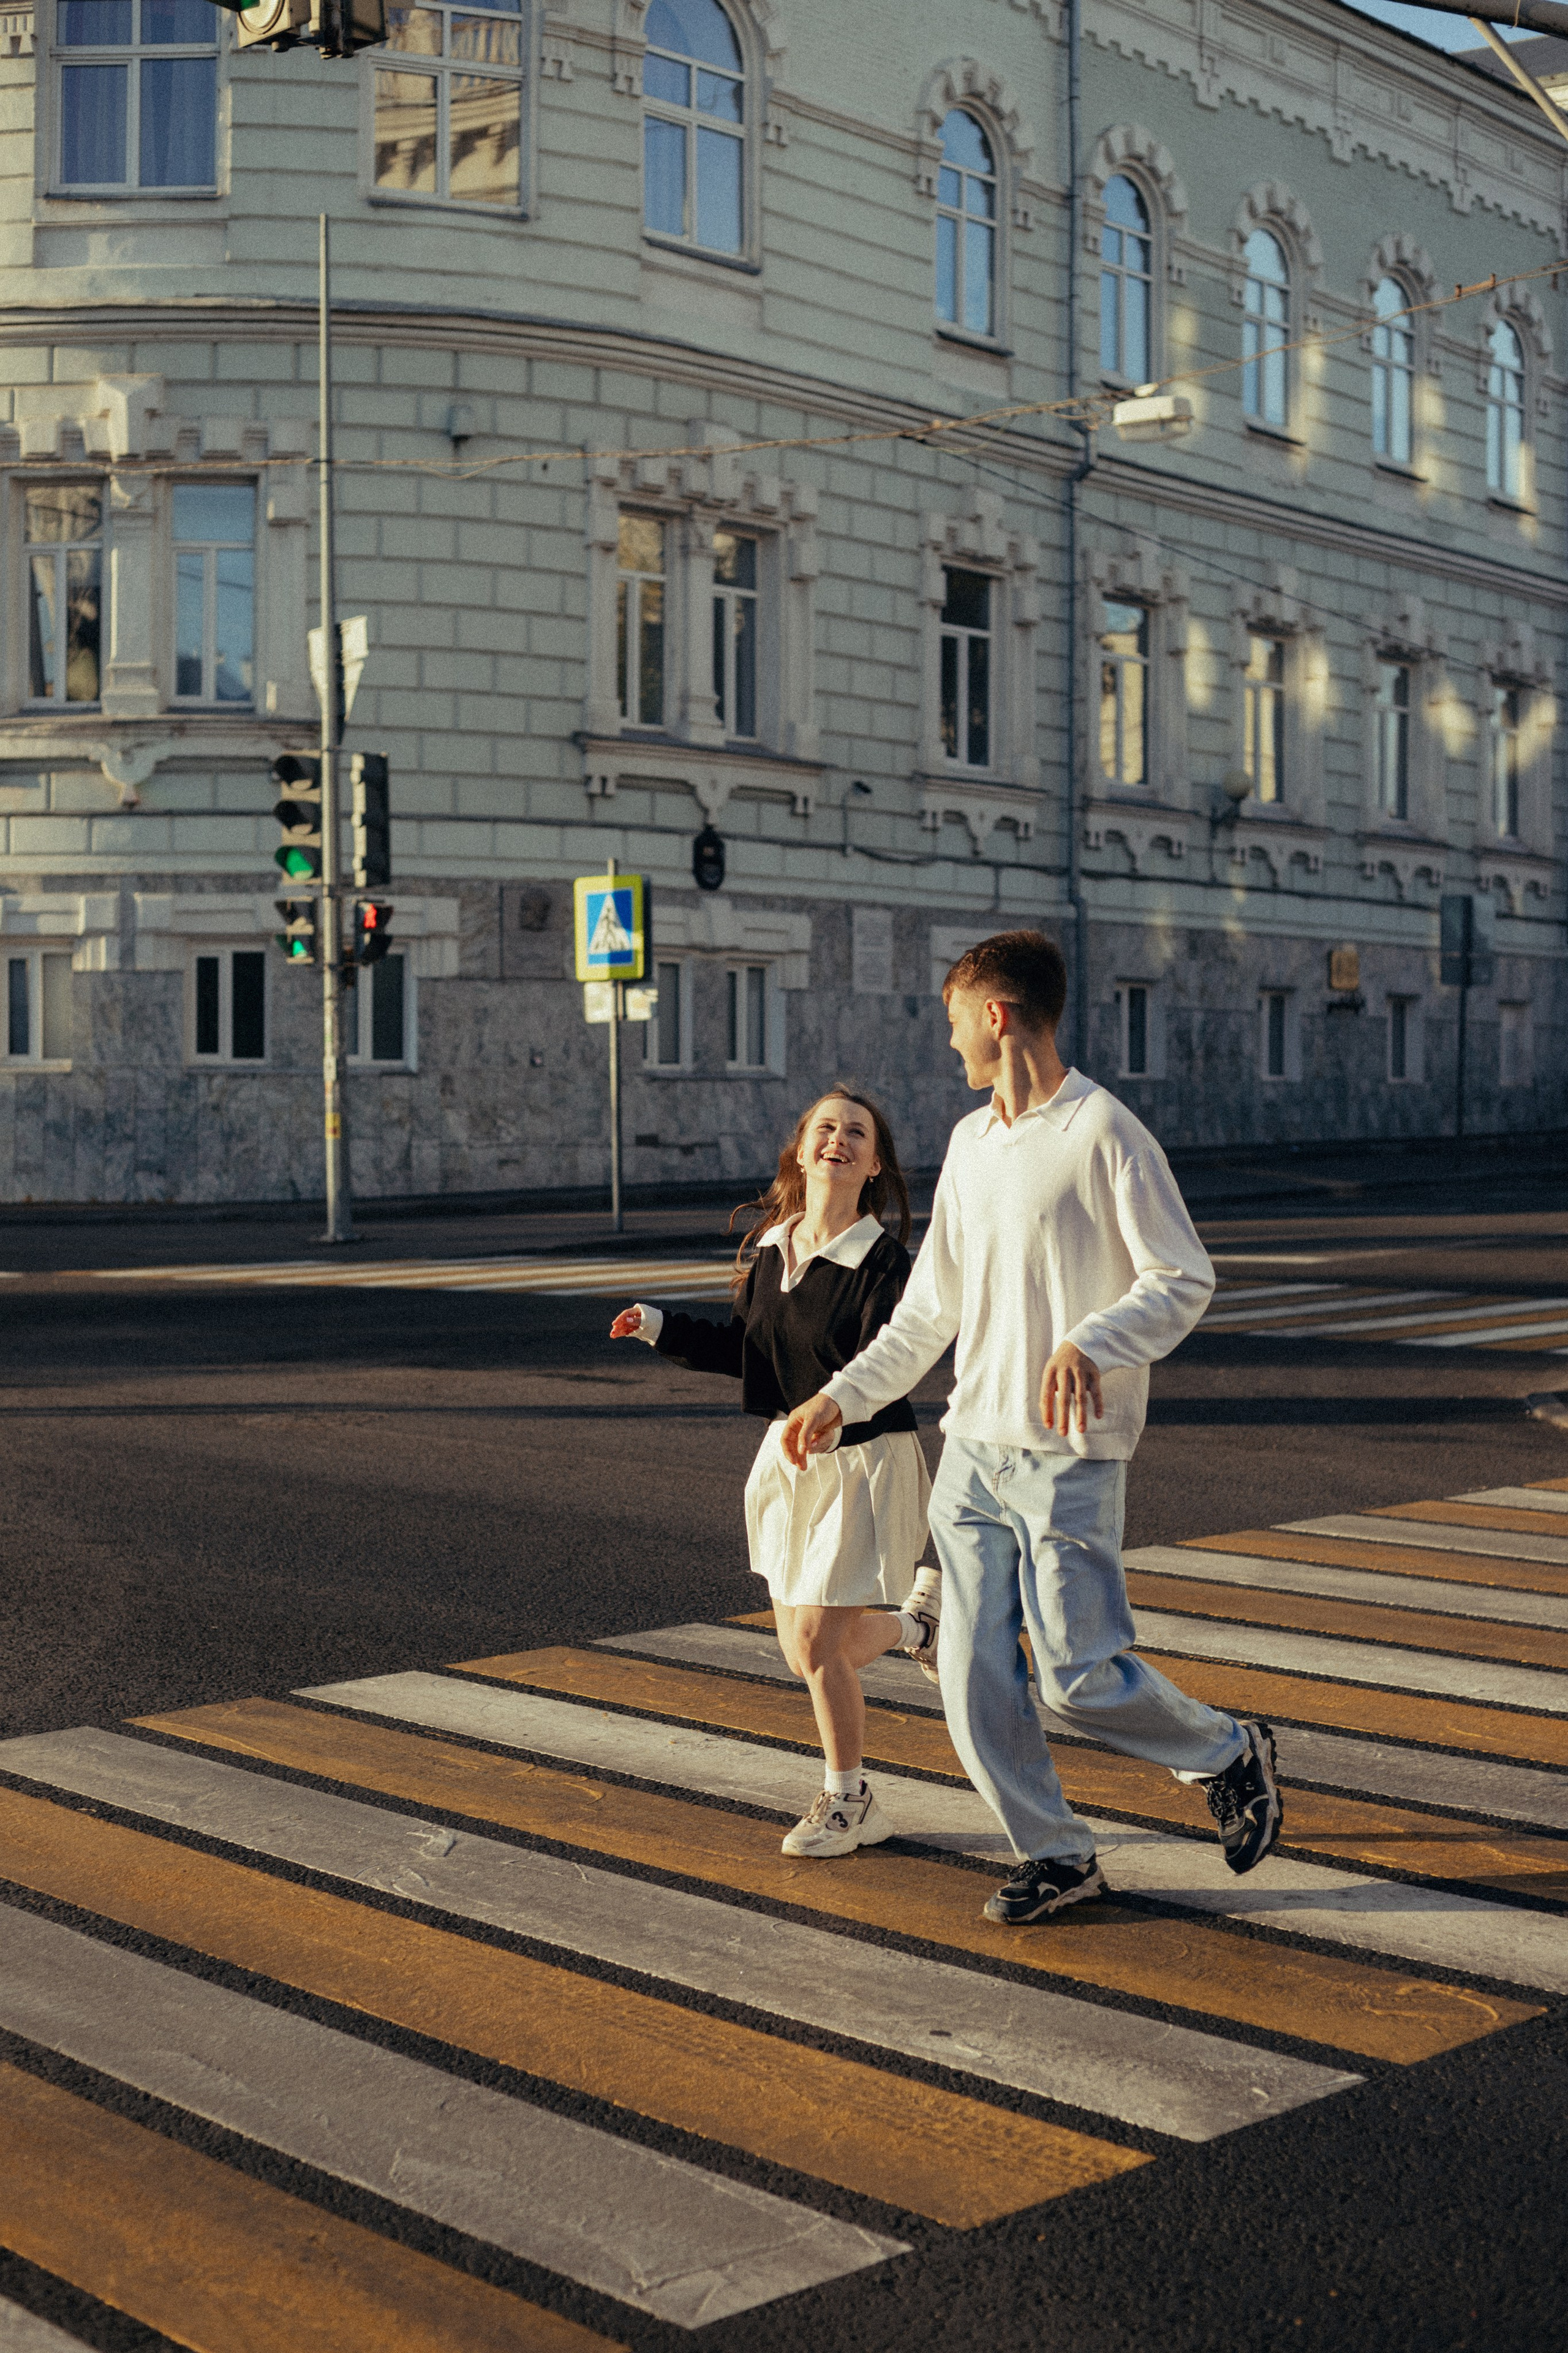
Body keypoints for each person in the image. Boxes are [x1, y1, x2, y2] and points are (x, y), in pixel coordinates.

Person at [782, 932, 1283, 1925]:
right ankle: (1055, 1853)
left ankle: (1228, 1752)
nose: (949, 1040)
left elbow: (1183, 1276)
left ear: (997, 1015)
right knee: (970, 1677)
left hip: (1068, 1454)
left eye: (954, 1019)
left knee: (1077, 1675)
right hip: (973, 1447)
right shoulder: (973, 1143)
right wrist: (841, 1396)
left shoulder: (1104, 1132)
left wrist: (1094, 1340)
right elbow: (928, 1312)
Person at [611, 1087, 940, 1859]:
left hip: (860, 1461)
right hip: (788, 1461)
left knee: (820, 1647)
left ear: (874, 1164)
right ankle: (918, 1629)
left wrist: (832, 1414)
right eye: (825, 1128)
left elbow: (886, 1367)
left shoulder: (883, 1262)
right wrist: (657, 1326)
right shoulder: (774, 1247)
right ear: (801, 1149)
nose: (838, 1140)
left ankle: (850, 1798)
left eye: (856, 1133)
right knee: (803, 1651)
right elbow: (747, 1351)